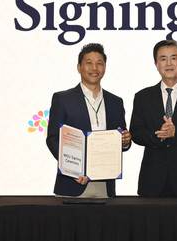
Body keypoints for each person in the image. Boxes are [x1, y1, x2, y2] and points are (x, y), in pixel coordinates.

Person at [45, 43, 131, 198]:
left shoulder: (116, 102)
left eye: (99, 63)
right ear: (79, 67)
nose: (94, 68)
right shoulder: (63, 99)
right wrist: (72, 170)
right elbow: (53, 139)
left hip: (105, 185)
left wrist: (125, 141)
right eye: (89, 63)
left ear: (105, 67)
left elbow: (121, 138)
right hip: (73, 184)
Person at [130, 39, 177, 197]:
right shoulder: (142, 97)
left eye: (174, 58)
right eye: (163, 59)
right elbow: (136, 133)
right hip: (151, 180)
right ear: (156, 64)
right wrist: (158, 135)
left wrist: (176, 132)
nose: (169, 63)